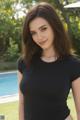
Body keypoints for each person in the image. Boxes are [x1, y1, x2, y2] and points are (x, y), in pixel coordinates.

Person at [18, 2, 80, 120]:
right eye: (33, 33)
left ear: (54, 26)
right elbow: (22, 104)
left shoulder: (73, 65)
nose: (39, 37)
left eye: (43, 29)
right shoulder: (24, 62)